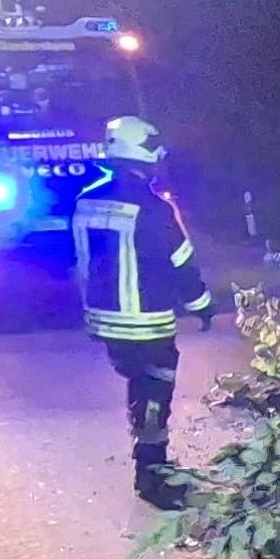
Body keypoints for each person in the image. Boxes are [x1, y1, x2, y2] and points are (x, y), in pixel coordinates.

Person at [73, 114, 220, 509]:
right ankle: (151, 475)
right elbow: (181, 262)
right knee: (154, 390)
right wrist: (203, 306)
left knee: (139, 385)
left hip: (103, 318)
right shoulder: (152, 207)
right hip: (145, 321)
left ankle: (151, 463)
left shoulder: (87, 199)